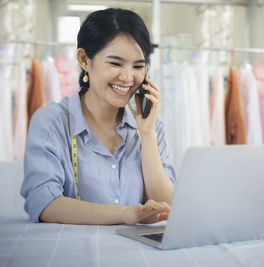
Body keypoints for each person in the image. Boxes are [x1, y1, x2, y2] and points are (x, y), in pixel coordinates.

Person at [20, 8, 175, 225]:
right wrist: (125, 214)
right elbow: (44, 203)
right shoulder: (51, 123)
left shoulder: (152, 125)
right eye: (115, 63)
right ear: (84, 59)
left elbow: (166, 207)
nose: (128, 77)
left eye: (138, 66)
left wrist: (147, 135)